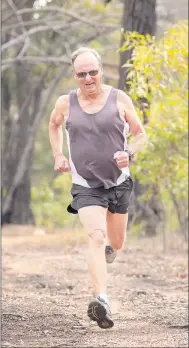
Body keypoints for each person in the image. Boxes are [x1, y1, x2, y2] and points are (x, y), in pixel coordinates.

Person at [49, 47, 147, 329]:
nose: (89, 78)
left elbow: (141, 135)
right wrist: (58, 154)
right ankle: (101, 300)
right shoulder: (65, 104)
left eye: (93, 72)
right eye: (82, 74)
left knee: (115, 243)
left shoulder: (119, 99)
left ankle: (110, 250)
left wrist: (129, 152)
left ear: (101, 70)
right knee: (95, 235)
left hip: (118, 182)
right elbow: (53, 126)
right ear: (74, 75)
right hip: (85, 184)